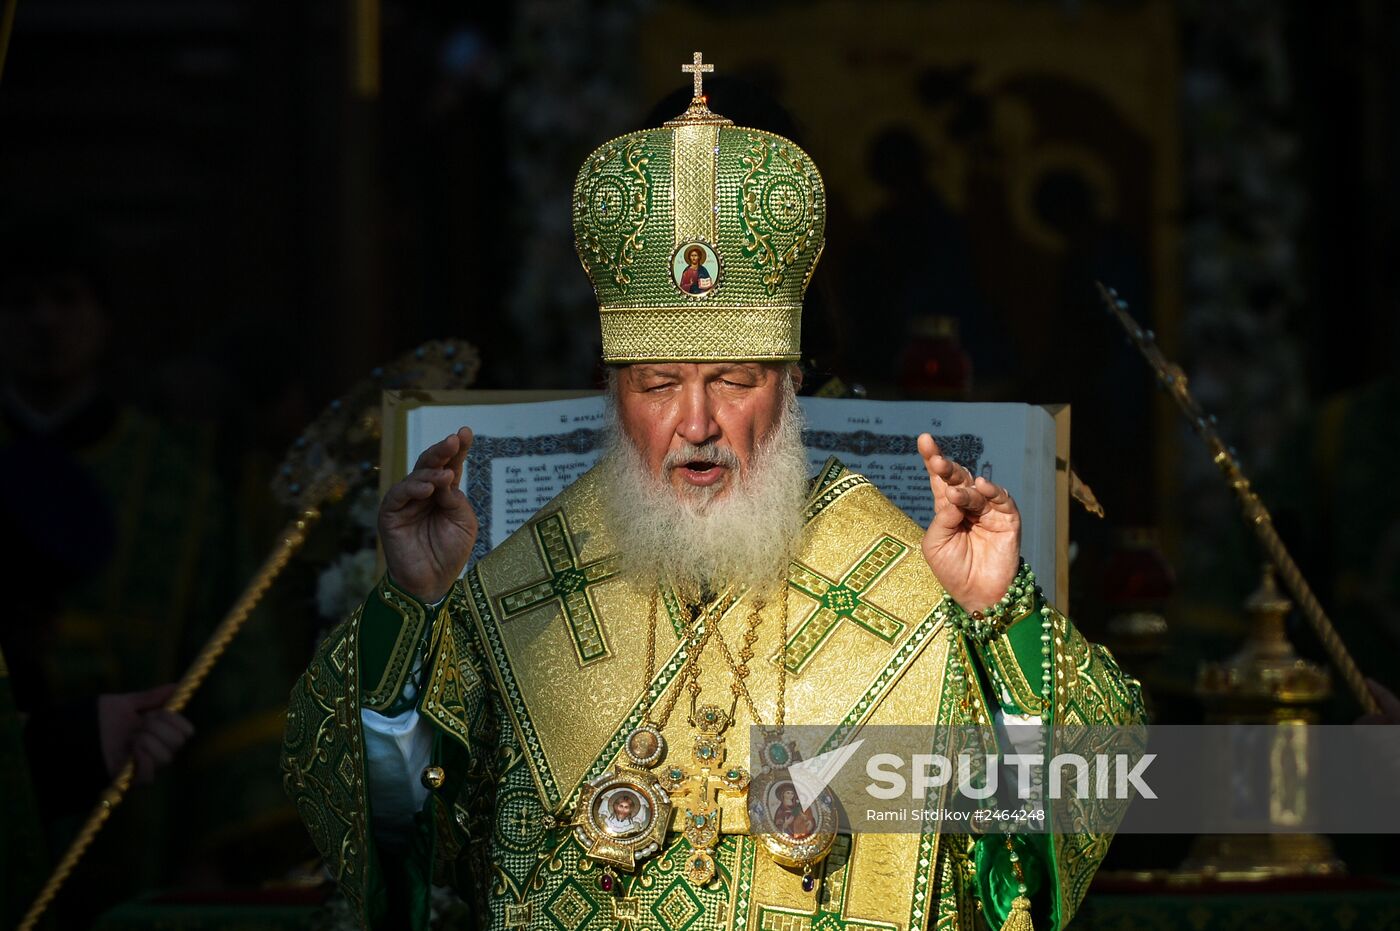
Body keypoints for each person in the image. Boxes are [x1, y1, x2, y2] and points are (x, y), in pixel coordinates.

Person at [283, 61, 1145, 931]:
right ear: (612, 390)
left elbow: (1048, 842)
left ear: (793, 383)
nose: (696, 422)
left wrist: (1003, 619)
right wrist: (411, 608)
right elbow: (384, 839)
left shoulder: (913, 588)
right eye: (658, 384)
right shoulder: (511, 604)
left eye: (733, 380)